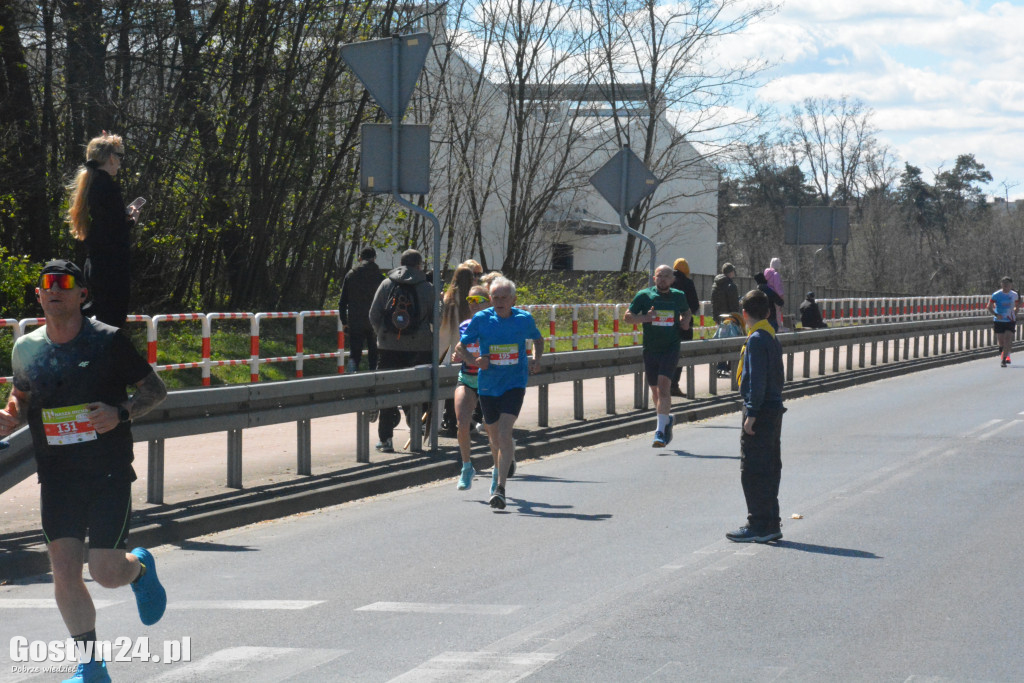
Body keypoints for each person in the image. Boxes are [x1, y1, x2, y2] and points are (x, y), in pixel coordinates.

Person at [0, 259, 168, 682]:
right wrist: (10, 415)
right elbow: (21, 395)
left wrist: (121, 412)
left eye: (65, 283)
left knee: (106, 573)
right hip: (57, 474)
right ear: (39, 295)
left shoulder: (107, 341)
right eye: (48, 284)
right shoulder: (27, 347)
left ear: (82, 294)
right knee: (64, 569)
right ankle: (91, 666)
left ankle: (139, 568)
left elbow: (155, 389)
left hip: (108, 470)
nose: (55, 289)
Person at [454, 276, 543, 509]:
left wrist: (536, 359)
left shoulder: (523, 319)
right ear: (491, 298)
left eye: (504, 297)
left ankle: (500, 488)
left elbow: (538, 339)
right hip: (488, 385)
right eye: (495, 297)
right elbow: (460, 346)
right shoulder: (482, 319)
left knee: (504, 433)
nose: (500, 301)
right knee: (494, 438)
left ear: (513, 299)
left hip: (514, 383)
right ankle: (505, 458)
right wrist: (475, 361)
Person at [726, 289, 785, 543]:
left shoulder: (756, 340)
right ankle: (771, 522)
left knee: (753, 469)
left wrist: (751, 412)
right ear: (769, 312)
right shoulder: (770, 336)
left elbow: (756, 380)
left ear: (744, 314)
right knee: (769, 467)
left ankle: (758, 524)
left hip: (760, 410)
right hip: (773, 408)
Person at [66, 133, 141, 329]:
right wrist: (131, 220)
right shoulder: (108, 186)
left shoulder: (90, 184)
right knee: (111, 324)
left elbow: (102, 226)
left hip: (95, 264)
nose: (120, 163)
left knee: (98, 317)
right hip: (111, 266)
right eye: (119, 156)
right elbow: (114, 231)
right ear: (111, 158)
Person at [368, 249, 435, 452]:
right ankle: (416, 430)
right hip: (419, 348)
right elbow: (437, 319)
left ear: (401, 263)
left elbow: (373, 314)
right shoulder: (427, 287)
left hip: (388, 347)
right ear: (419, 265)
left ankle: (385, 440)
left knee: (387, 390)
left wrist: (383, 334)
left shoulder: (386, 284)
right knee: (415, 390)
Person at [623, 265, 692, 448]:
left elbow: (687, 312)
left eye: (666, 276)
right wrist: (645, 318)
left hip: (671, 347)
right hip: (651, 348)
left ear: (672, 280)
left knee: (663, 387)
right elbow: (628, 317)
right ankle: (666, 420)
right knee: (655, 391)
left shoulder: (679, 296)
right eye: (659, 276)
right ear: (654, 278)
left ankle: (659, 432)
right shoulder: (644, 296)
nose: (662, 279)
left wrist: (685, 321)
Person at [452, 285, 498, 490]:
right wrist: (458, 356)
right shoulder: (465, 325)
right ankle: (467, 467)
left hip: (490, 380)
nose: (473, 305)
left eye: (478, 300)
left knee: (491, 427)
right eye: (470, 300)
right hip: (468, 379)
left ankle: (498, 469)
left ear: (488, 302)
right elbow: (460, 348)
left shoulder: (496, 325)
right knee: (462, 422)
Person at [438, 265, 477, 436]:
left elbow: (441, 327)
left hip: (448, 350)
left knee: (449, 387)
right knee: (464, 386)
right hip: (467, 350)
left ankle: (448, 419)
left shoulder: (448, 299)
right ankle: (462, 421)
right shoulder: (473, 301)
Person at [338, 247, 385, 372]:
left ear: (360, 258)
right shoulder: (380, 277)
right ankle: (374, 378)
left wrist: (344, 322)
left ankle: (351, 378)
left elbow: (342, 302)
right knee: (374, 355)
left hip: (355, 322)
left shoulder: (351, 274)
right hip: (375, 322)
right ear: (374, 258)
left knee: (354, 355)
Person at [669, 257, 701, 397]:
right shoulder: (688, 283)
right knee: (681, 355)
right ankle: (673, 385)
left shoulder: (668, 281)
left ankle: (664, 384)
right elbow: (694, 305)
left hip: (666, 324)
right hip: (684, 325)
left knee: (667, 355)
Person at [710, 263, 741, 377]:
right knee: (732, 343)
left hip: (720, 318)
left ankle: (720, 366)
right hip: (730, 318)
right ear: (730, 272)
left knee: (721, 342)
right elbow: (733, 304)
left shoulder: (715, 285)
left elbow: (714, 303)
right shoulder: (731, 286)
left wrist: (716, 317)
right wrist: (737, 318)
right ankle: (726, 366)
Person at [987, 276, 1020, 367]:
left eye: (1007, 283)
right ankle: (1004, 352)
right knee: (1001, 342)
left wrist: (1015, 312)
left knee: (1007, 339)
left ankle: (1004, 360)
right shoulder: (996, 295)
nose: (1005, 285)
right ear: (1001, 284)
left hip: (1010, 320)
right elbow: (989, 307)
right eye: (1003, 283)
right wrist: (996, 315)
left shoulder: (1014, 294)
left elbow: (1017, 305)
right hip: (999, 320)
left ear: (1011, 285)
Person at [764, 257, 784, 329]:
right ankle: (779, 326)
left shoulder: (766, 274)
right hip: (776, 296)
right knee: (778, 311)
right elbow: (777, 287)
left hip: (769, 296)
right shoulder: (776, 275)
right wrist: (781, 296)